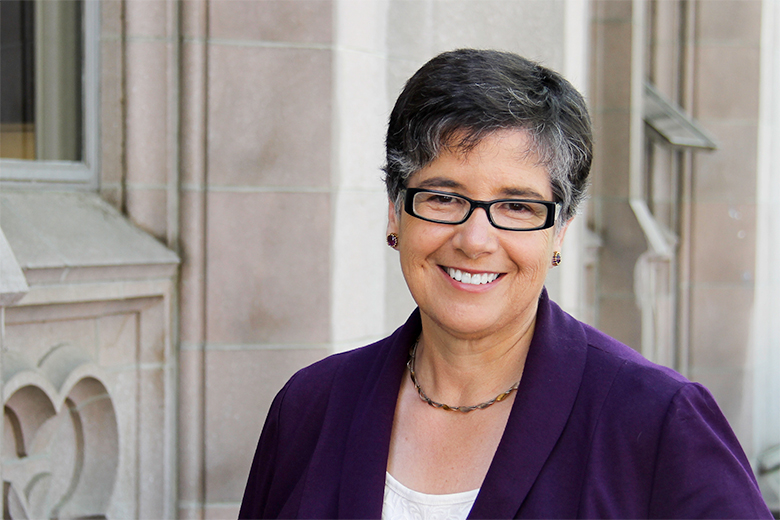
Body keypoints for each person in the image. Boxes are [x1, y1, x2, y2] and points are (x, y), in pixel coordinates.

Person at [239, 49, 772, 519]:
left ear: (560, 231)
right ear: (395, 212)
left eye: (517, 206)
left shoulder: (659, 422)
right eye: (443, 197)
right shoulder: (310, 407)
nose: (475, 240)